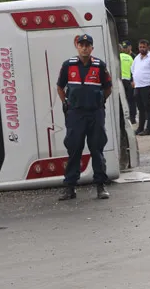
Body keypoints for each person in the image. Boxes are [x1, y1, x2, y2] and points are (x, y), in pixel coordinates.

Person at [56, 34, 112, 201]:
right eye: (82, 45)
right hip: (75, 114)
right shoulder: (68, 65)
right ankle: (70, 187)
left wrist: (99, 102)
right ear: (77, 47)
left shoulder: (99, 66)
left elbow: (108, 88)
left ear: (92, 48)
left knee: (97, 149)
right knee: (74, 149)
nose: (84, 48)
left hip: (95, 113)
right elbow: (60, 87)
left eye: (88, 45)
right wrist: (66, 103)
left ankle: (100, 186)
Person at [131, 39, 150, 136]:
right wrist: (134, 80)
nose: (142, 49)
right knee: (140, 109)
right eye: (140, 47)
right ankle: (140, 128)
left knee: (148, 108)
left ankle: (149, 129)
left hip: (147, 86)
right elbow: (133, 69)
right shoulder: (137, 58)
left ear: (148, 47)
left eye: (144, 47)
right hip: (138, 86)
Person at [119, 41, 137, 124]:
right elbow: (134, 70)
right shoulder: (130, 57)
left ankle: (123, 118)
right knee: (131, 100)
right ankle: (132, 118)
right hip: (129, 81)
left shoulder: (117, 57)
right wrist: (133, 80)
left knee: (121, 100)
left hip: (120, 80)